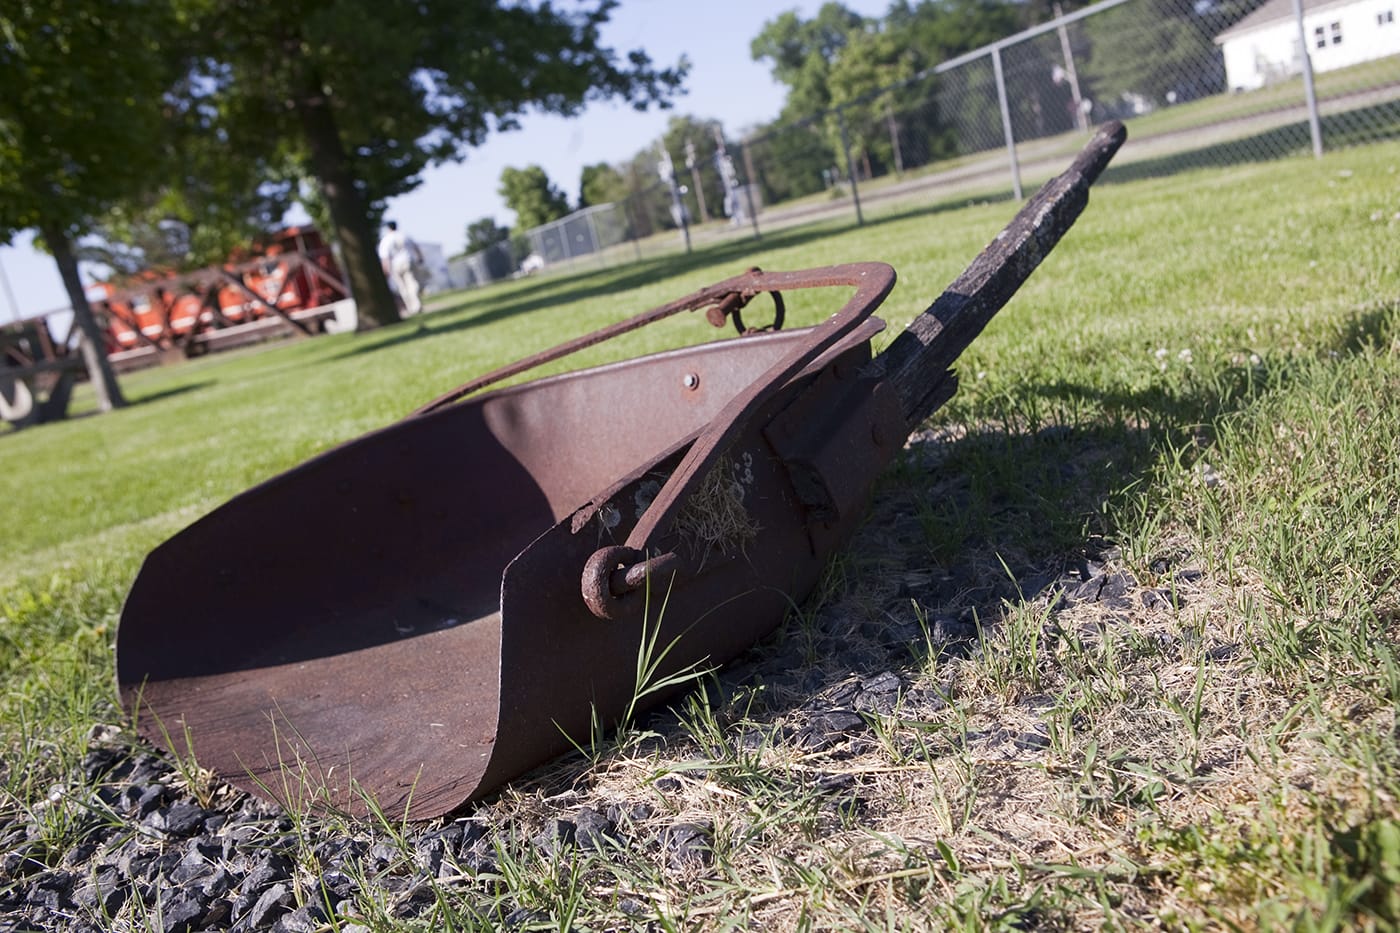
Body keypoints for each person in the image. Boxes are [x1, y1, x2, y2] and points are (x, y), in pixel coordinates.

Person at [377, 220, 424, 316]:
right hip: (408, 261)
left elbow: (385, 257)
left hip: (395, 265)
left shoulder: (386, 240)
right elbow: (416, 247)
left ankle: (411, 307)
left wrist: (385, 269)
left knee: (402, 287)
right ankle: (417, 305)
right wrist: (420, 257)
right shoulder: (404, 235)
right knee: (412, 283)